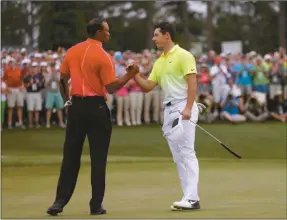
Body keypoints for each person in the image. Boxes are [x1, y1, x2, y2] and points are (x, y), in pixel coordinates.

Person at [46, 17, 139, 216]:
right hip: (96, 107)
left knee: (70, 157)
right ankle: (95, 205)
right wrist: (130, 75)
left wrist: (67, 101)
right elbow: (111, 87)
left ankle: (59, 202)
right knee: (98, 159)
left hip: (76, 107)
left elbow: (62, 79)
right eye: (106, 31)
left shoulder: (72, 51)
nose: (108, 34)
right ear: (97, 32)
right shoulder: (103, 56)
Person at [134, 22, 205, 211]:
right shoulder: (159, 61)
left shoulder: (184, 55)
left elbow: (192, 83)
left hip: (183, 107)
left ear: (167, 36)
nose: (153, 38)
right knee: (178, 156)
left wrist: (189, 108)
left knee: (187, 152)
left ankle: (191, 198)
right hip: (170, 111)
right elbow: (148, 86)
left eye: (156, 35)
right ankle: (189, 197)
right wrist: (135, 75)